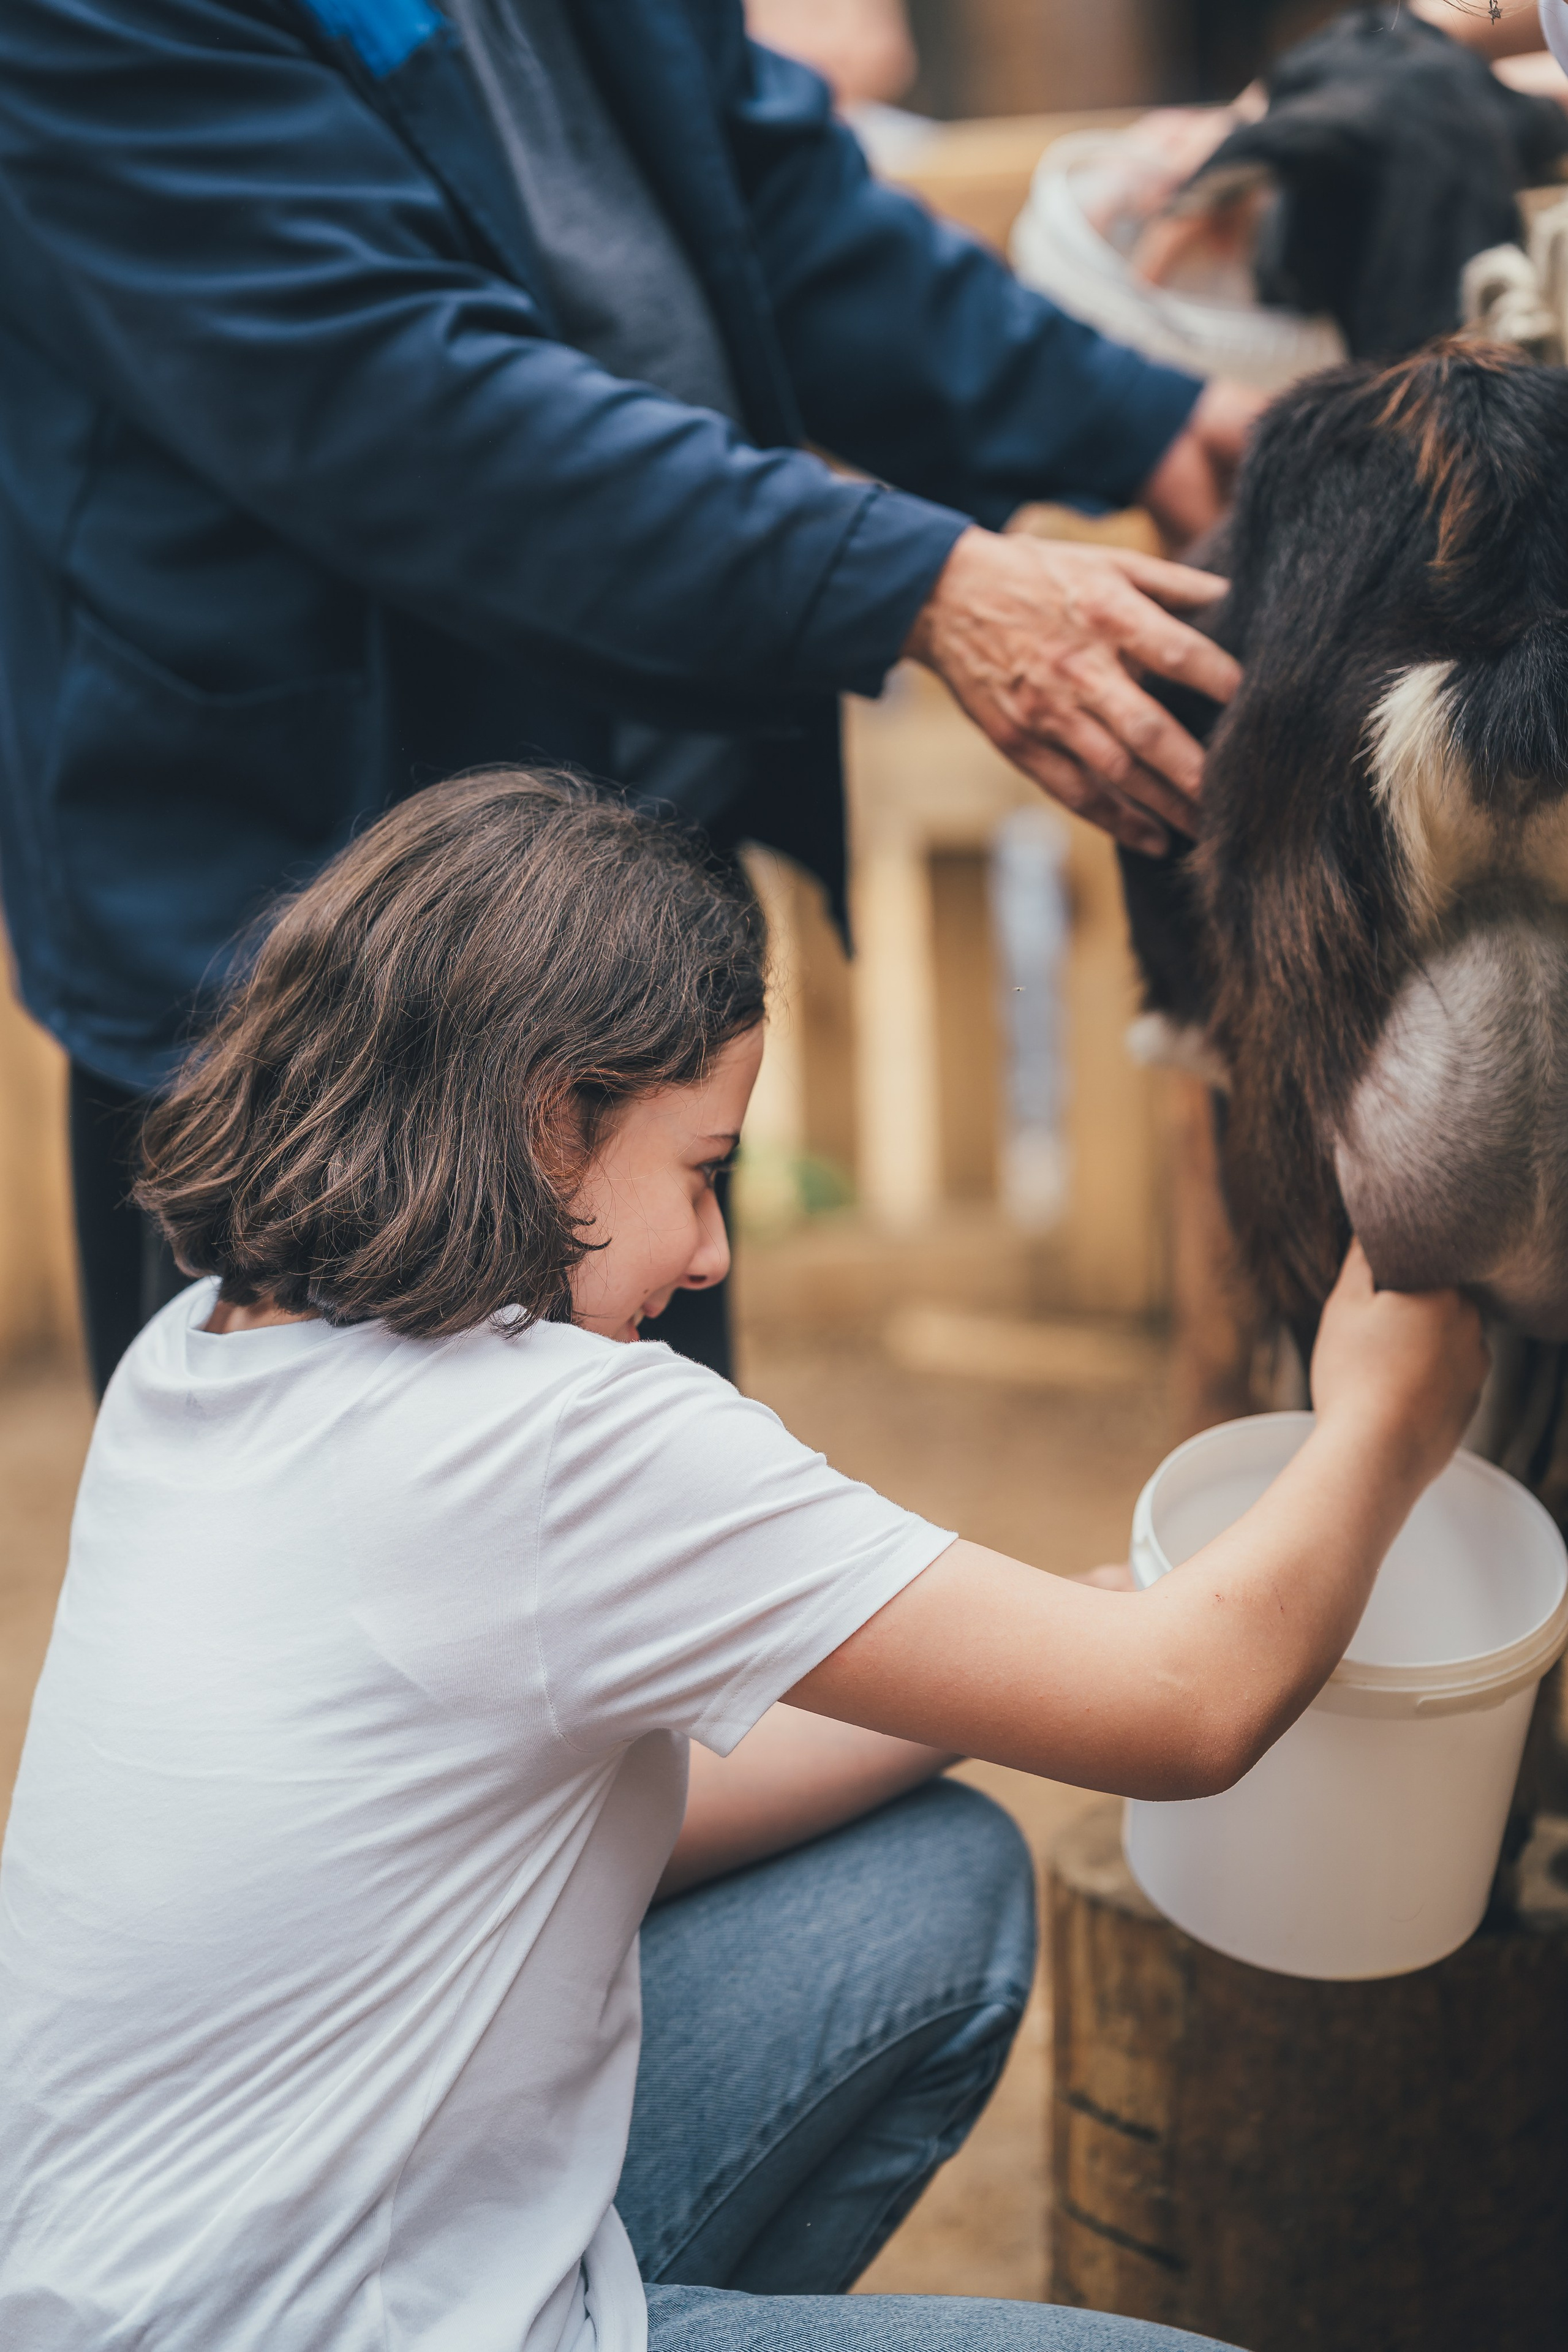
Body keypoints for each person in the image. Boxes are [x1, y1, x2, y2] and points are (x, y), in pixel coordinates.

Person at [0, 771, 1487, 2352]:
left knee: (930, 1885)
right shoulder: (561, 1437)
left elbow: (591, 1812)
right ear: (545, 1115)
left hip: (122, 2296)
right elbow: (1194, 1709)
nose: (713, 1252)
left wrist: (1058, 1639)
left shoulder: (203, 1348)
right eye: (701, 1170)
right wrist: (1385, 1421)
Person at [0, 0, 1261, 1395]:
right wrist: (905, 578)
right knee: (332, 1523)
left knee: (636, 1478)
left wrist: (1133, 416)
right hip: (302, 923)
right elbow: (404, 403)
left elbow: (764, 193)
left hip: (601, 871)